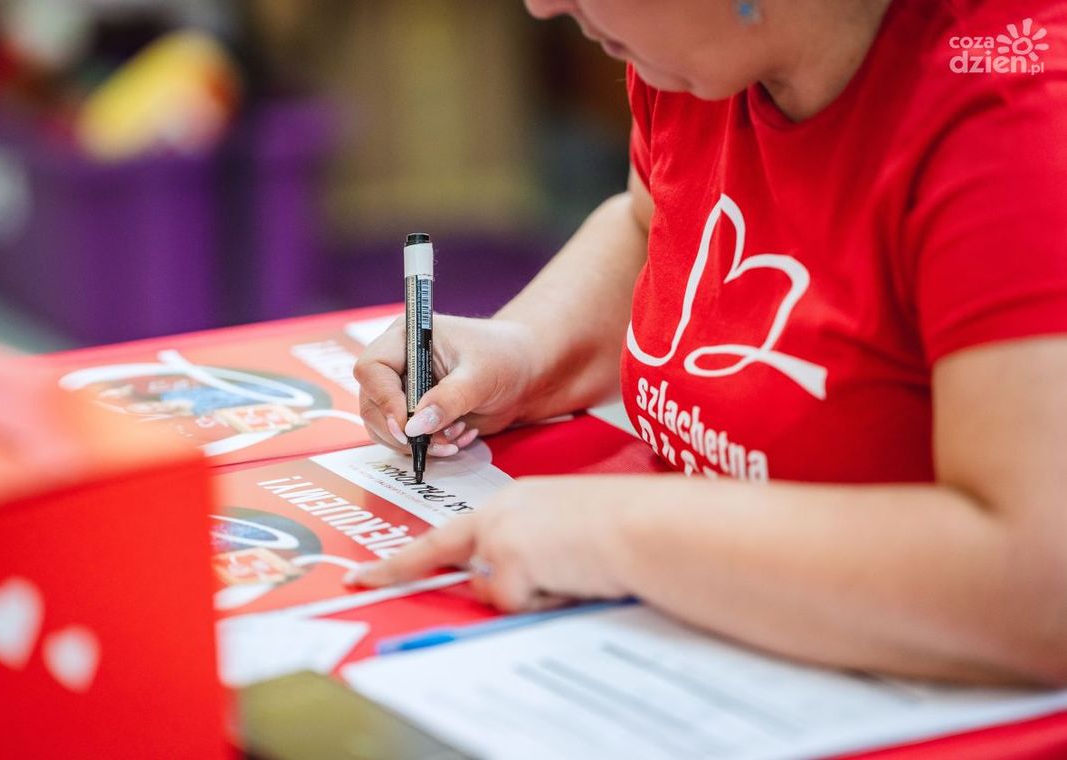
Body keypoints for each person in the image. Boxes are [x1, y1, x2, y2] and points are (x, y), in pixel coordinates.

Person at [349, 0, 1067, 687]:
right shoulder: (701, 51)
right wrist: (525, 352)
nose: (541, 6)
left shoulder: (1017, 113)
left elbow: (1040, 585)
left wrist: (618, 536)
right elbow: (655, 224)